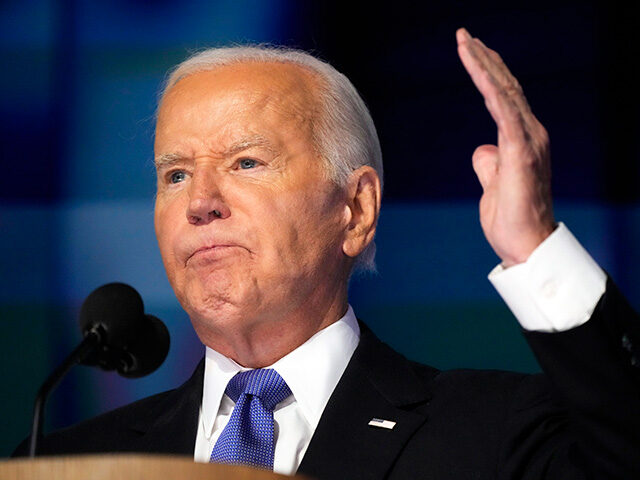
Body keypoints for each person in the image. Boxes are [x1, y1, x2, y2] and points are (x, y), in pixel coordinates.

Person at [15, 29, 639, 478]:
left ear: (356, 210)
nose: (199, 202)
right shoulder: (59, 463)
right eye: (175, 174)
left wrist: (535, 247)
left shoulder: (491, 433)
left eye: (246, 162)